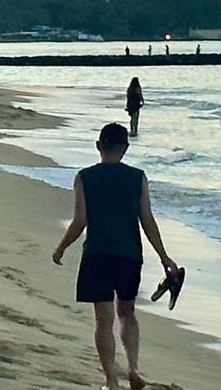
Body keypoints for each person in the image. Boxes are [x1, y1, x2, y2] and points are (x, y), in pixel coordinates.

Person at [50, 122, 181, 390]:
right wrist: (164, 256)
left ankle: (111, 379)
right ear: (126, 148)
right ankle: (133, 369)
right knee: (128, 312)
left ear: (98, 146)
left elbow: (80, 221)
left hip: (97, 253)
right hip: (129, 254)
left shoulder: (84, 177)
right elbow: (146, 219)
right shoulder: (138, 177)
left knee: (103, 318)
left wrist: (61, 246)